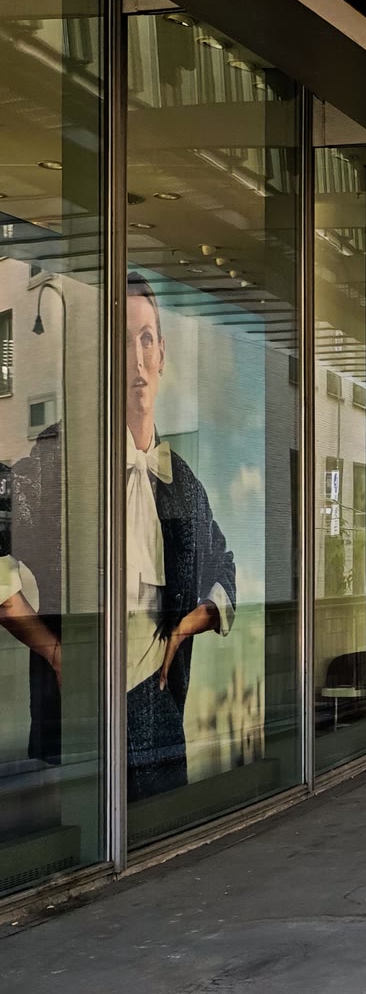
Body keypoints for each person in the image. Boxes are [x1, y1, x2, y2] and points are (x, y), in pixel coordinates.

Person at [0, 272, 237, 803]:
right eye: (121, 342)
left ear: (162, 354)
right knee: (85, 838)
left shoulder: (181, 482)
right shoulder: (56, 462)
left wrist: (185, 628)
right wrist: (53, 651)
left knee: (167, 836)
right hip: (79, 706)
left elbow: (222, 567)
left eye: (146, 339)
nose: (136, 359)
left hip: (159, 707)